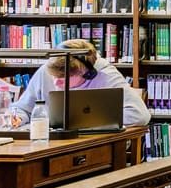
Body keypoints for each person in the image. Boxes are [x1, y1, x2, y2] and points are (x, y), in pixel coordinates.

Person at [10, 39, 151, 128]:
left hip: (92, 144)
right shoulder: (47, 70)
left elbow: (139, 115)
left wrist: (86, 122)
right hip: (48, 141)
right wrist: (18, 117)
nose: (55, 81)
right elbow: (22, 108)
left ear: (86, 73)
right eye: (53, 76)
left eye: (63, 77)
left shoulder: (105, 76)